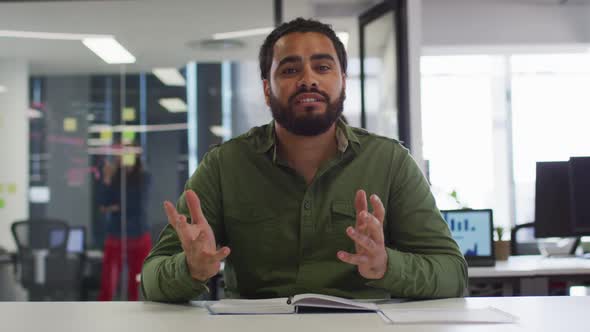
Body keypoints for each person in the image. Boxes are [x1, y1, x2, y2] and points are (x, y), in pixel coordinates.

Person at [141, 18, 467, 302]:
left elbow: (453, 273)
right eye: (290, 69)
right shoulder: (224, 166)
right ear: (267, 90)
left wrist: (385, 265)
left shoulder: (390, 162)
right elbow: (152, 279)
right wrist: (191, 268)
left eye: (323, 67)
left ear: (343, 84)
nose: (308, 79)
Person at [98, 154, 152, 301]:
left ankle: (135, 312)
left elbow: (135, 205)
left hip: (138, 235)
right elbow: (103, 204)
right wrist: (107, 178)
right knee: (109, 278)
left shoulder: (143, 177)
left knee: (137, 279)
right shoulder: (115, 178)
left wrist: (115, 206)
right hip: (116, 234)